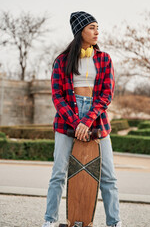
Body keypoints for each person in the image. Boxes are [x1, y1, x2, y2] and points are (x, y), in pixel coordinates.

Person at [42, 11, 122, 227]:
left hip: (97, 119)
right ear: (80, 31)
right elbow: (57, 96)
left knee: (109, 177)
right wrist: (76, 121)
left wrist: (87, 121)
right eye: (92, 27)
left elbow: (107, 94)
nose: (97, 31)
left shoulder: (105, 59)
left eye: (97, 27)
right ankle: (49, 221)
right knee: (58, 173)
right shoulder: (62, 61)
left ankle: (114, 223)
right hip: (67, 117)